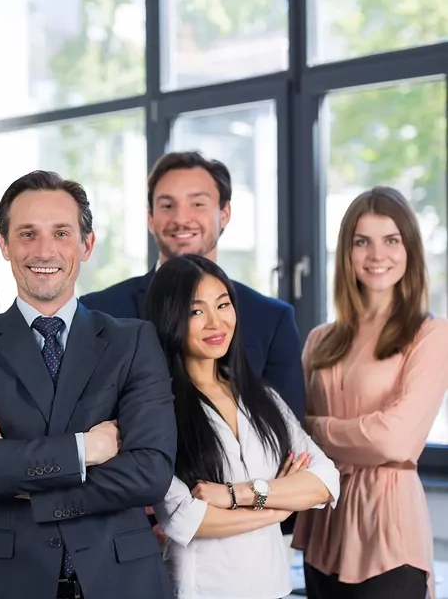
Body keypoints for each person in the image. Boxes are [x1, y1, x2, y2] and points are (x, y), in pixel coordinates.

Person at [0, 170, 178, 599]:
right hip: (0, 581)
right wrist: (86, 450)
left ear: (86, 244)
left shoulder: (133, 340)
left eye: (61, 233)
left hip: (118, 579)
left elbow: (150, 472)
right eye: (27, 233)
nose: (44, 250)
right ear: (4, 245)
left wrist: (17, 473)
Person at [145, 254, 340, 599]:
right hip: (202, 590)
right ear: (169, 318)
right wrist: (283, 504)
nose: (215, 322)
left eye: (223, 305)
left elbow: (325, 480)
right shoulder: (157, 407)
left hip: (272, 587)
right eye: (196, 311)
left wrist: (235, 495)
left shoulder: (259, 395)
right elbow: (186, 520)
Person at [293, 187, 448, 599]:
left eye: (391, 240)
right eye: (362, 241)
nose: (377, 255)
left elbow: (395, 438)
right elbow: (291, 438)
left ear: (410, 249)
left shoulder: (431, 335)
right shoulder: (320, 340)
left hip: (388, 533)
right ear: (347, 251)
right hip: (324, 530)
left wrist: (315, 428)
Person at [79, 151, 304, 419]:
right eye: (167, 206)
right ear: (150, 218)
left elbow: (287, 428)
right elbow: (83, 417)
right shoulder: (97, 311)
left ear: (225, 213)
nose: (181, 219)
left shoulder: (272, 318)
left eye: (197, 204)